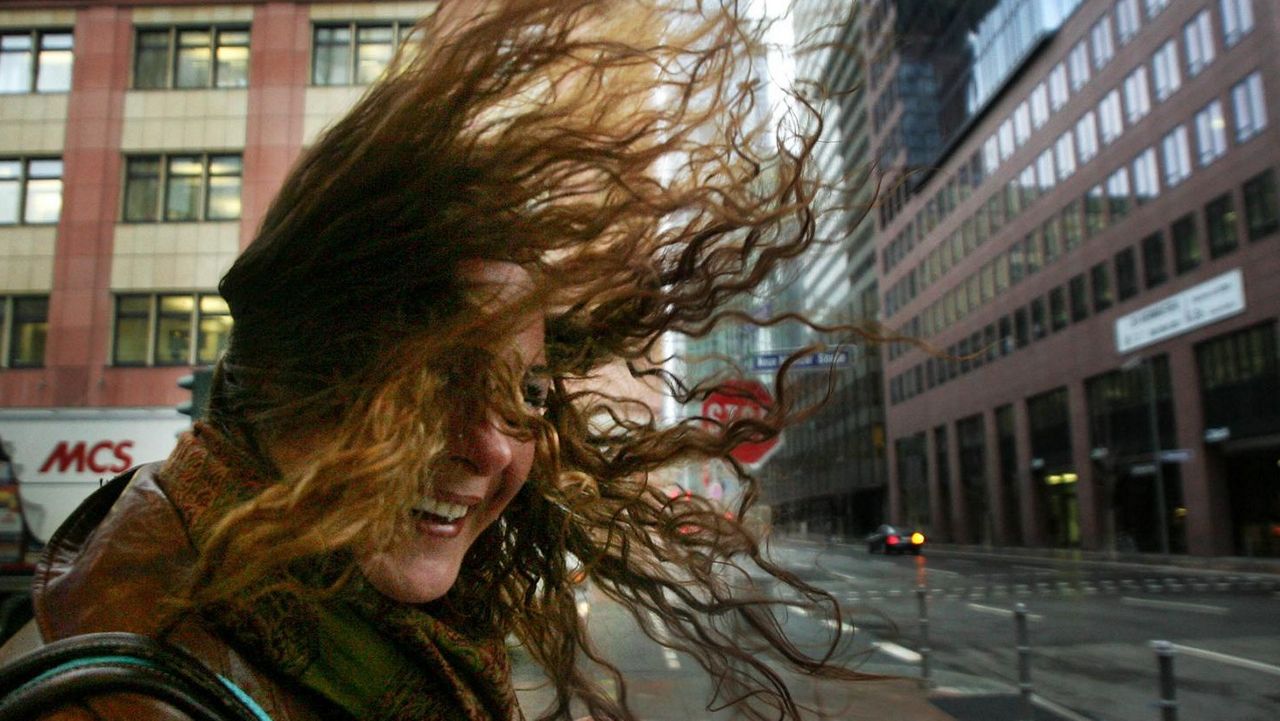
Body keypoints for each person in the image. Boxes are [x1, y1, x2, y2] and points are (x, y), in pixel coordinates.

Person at [0, 1, 873, 719]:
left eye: (524, 394)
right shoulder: (124, 698)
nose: (492, 447)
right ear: (289, 372)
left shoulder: (371, 634)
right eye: (428, 382)